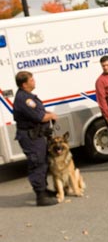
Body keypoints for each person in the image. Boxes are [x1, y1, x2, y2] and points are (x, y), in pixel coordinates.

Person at [13, 71, 58, 206]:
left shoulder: (28, 96)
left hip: (36, 135)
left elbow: (39, 113)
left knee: (43, 162)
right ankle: (41, 196)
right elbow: (39, 117)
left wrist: (46, 113)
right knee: (37, 163)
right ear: (24, 84)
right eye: (31, 80)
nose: (34, 81)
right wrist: (51, 116)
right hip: (30, 137)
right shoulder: (25, 99)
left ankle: (44, 189)